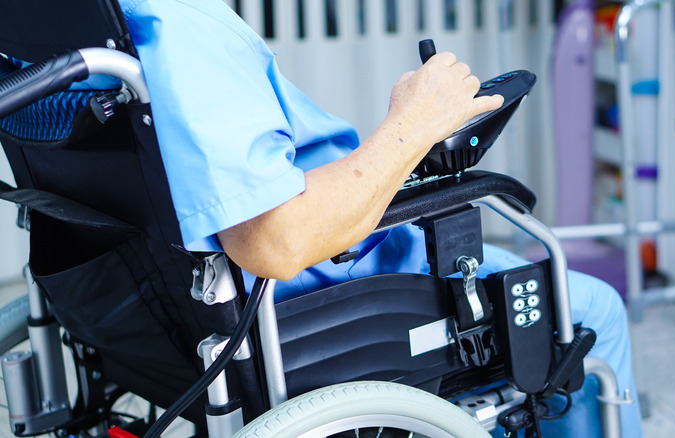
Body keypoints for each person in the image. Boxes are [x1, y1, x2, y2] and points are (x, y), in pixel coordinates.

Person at [117, 0, 643, 436]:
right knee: (593, 307)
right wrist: (416, 122)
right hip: (326, 290)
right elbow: (275, 241)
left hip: (151, 311)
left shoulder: (70, 29)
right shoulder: (180, 26)